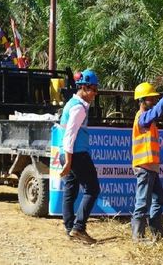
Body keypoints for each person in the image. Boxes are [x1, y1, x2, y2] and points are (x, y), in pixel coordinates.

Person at [131, 76, 163, 242]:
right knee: (142, 202)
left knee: (159, 198)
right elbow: (157, 110)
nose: (154, 100)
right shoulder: (142, 118)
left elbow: (158, 109)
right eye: (151, 98)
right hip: (145, 167)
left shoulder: (147, 119)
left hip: (150, 168)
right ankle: (138, 236)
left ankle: (156, 230)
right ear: (142, 100)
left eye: (155, 98)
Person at [58, 69, 101, 244]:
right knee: (93, 189)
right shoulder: (78, 108)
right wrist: (68, 161)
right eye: (93, 90)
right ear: (84, 88)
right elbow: (70, 134)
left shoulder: (72, 103)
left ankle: (70, 229)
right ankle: (79, 228)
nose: (95, 94)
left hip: (68, 153)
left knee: (71, 190)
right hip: (76, 154)